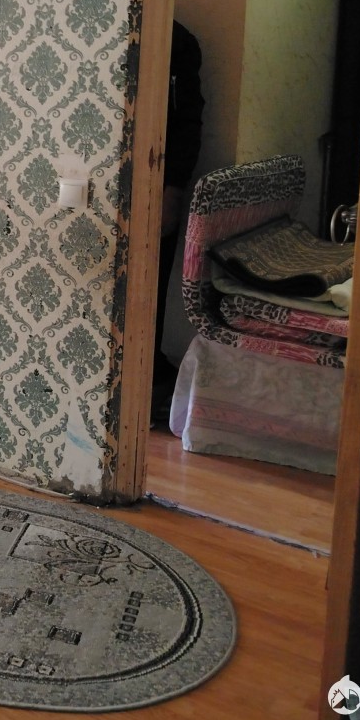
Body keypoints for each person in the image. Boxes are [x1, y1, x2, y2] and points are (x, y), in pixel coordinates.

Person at [152, 21, 204, 429]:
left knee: (151, 283)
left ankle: (147, 373)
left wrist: (173, 191)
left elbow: (188, 121)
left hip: (155, 179)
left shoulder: (175, 40)